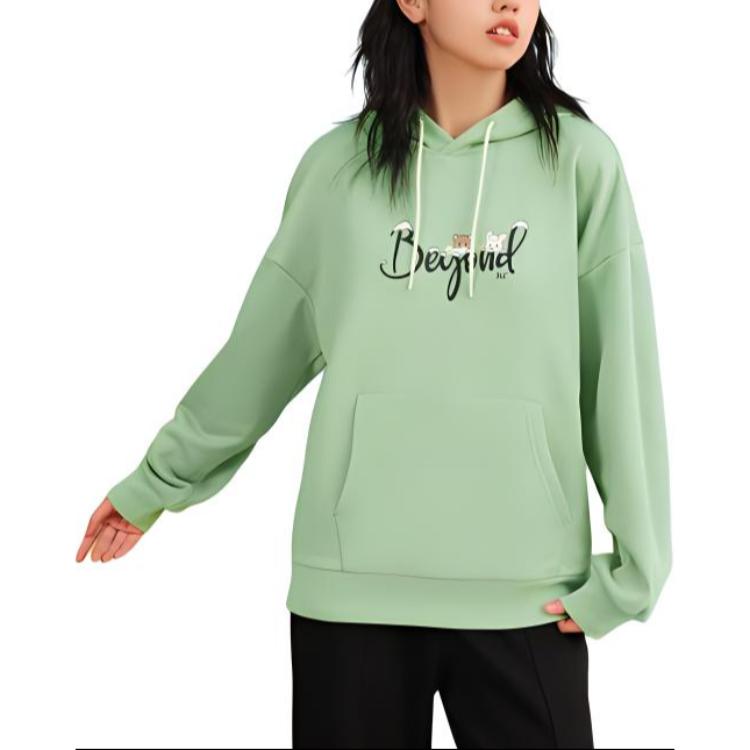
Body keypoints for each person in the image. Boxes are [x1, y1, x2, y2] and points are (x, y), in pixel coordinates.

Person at [76, 1, 672, 747]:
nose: (511, 3)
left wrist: (637, 571)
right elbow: (263, 351)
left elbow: (620, 372)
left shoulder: (581, 163)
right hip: (351, 597)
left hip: (529, 598)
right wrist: (156, 483)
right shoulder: (338, 170)